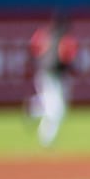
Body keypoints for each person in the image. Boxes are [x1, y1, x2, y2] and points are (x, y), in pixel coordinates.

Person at [28, 12, 77, 147]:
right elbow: (67, 58)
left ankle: (34, 107)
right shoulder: (65, 39)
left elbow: (33, 49)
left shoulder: (44, 34)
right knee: (57, 109)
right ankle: (46, 138)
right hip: (55, 76)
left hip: (44, 73)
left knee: (53, 105)